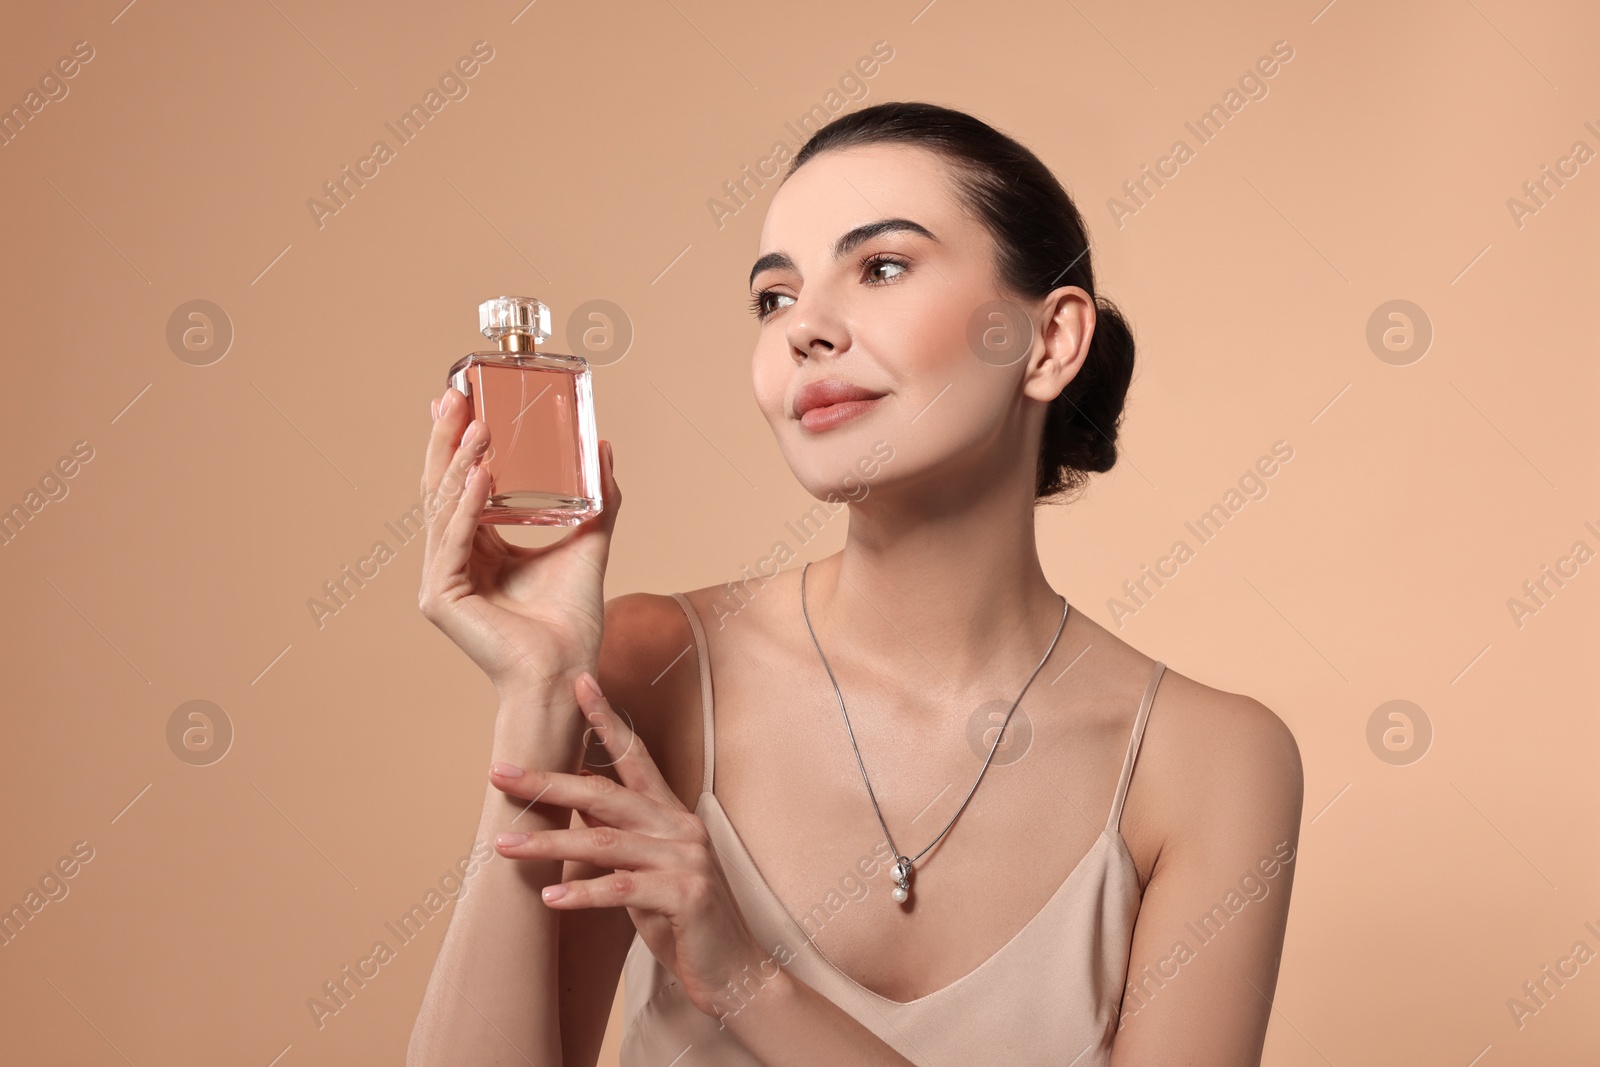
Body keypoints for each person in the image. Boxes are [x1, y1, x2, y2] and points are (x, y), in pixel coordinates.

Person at [406, 101, 1302, 1067]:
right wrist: (538, 694)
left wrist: (748, 981)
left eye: (881, 267)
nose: (806, 330)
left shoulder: (1208, 763)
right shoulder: (654, 672)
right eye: (774, 297)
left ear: (1047, 342)